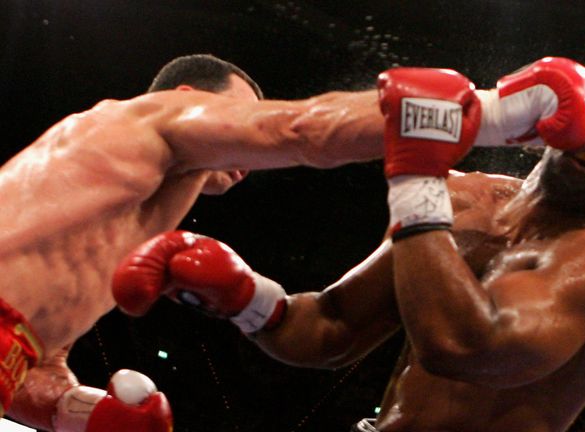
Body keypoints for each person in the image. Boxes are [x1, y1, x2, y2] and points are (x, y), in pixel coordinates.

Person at [111, 59, 585, 431]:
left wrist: (415, 178)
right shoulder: (462, 198)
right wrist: (244, 296)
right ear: (553, 126)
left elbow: (465, 349)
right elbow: (330, 330)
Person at [0, 52, 393, 432]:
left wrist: (77, 411)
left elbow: (31, 367)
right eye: (238, 114)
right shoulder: (141, 120)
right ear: (184, 99)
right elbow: (299, 130)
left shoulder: (115, 221)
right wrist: (418, 112)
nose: (249, 153)